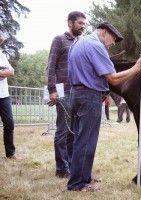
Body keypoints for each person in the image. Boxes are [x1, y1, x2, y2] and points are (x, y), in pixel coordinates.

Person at [67, 21, 141, 191]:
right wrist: (138, 67)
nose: (112, 44)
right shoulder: (95, 45)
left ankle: (83, 178)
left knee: (80, 140)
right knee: (87, 141)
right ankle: (77, 184)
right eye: (113, 39)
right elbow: (113, 78)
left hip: (76, 94)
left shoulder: (78, 43)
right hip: (89, 96)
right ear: (103, 32)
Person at [46, 11, 86, 178]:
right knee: (63, 130)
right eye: (80, 23)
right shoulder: (59, 40)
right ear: (70, 23)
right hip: (63, 91)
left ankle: (70, 165)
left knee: (73, 131)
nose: (83, 26)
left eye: (84, 24)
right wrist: (52, 90)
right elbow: (51, 66)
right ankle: (61, 169)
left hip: (78, 90)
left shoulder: (81, 42)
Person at [0, 31, 21, 160]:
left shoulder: (1, 54)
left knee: (9, 123)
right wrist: (3, 71)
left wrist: (1, 72)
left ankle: (10, 153)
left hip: (4, 95)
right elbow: (6, 71)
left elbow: (11, 71)